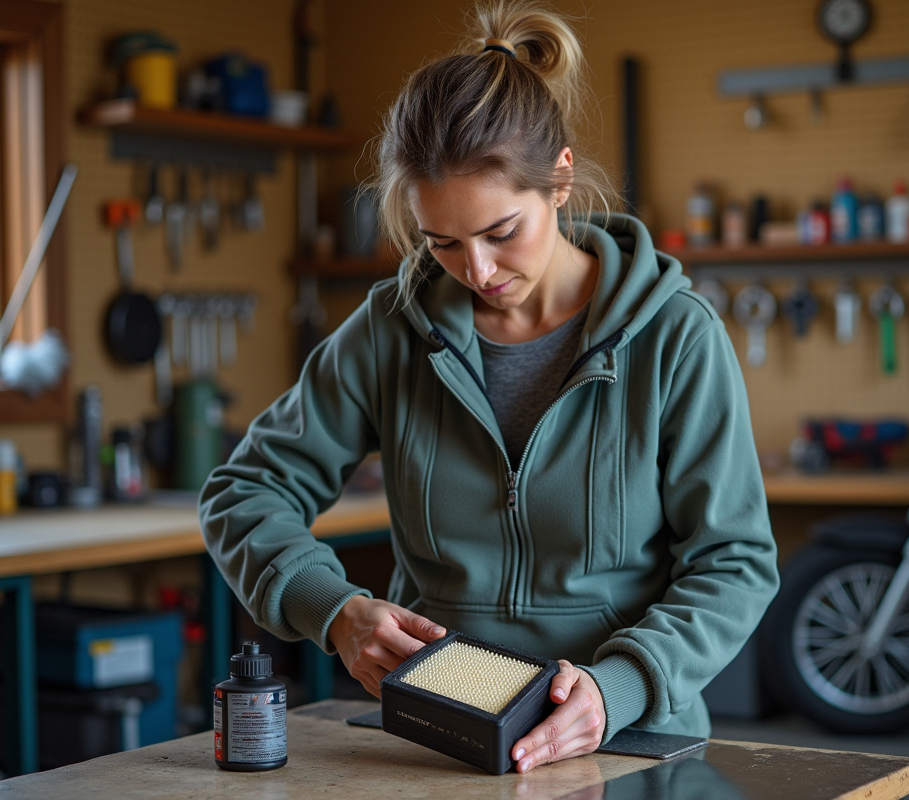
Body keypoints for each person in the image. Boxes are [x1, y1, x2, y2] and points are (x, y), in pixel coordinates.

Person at [200, 0, 778, 774]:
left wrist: (621, 687)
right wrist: (332, 610)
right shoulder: (390, 331)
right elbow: (243, 491)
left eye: (501, 232)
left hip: (630, 742)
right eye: (442, 241)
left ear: (561, 181)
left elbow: (734, 561)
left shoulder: (677, 337)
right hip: (435, 740)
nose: (476, 271)